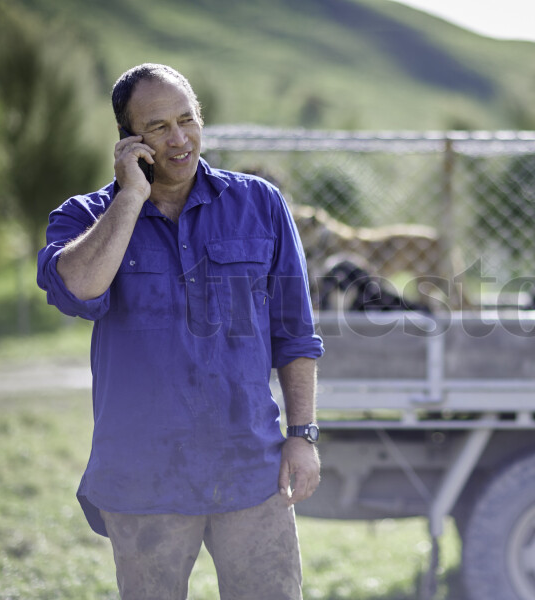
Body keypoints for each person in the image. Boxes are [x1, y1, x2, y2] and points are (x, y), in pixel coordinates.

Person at [36, 63, 324, 600]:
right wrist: (130, 199)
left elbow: (296, 334)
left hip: (250, 471)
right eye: (158, 127)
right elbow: (78, 288)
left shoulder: (260, 205)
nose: (179, 139)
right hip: (144, 479)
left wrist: (302, 436)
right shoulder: (86, 218)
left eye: (187, 120)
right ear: (128, 140)